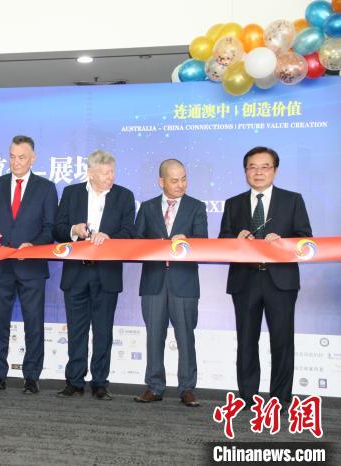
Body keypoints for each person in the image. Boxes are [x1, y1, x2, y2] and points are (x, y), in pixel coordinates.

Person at [219, 146, 312, 405]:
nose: (258, 172)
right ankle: (248, 398)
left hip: (280, 281)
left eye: (265, 167)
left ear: (275, 170)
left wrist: (283, 242)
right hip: (245, 280)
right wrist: (235, 238)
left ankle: (280, 399)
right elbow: (222, 240)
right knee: (246, 341)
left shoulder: (292, 200)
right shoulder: (233, 203)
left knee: (282, 342)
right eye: (252, 167)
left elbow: (305, 239)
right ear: (245, 171)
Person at [53, 150, 135, 400]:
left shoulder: (124, 196)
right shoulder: (71, 193)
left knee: (103, 331)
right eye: (104, 173)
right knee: (76, 331)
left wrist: (110, 238)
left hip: (106, 274)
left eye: (112, 172)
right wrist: (74, 230)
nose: (110, 177)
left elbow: (130, 233)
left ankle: (100, 382)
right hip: (76, 273)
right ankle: (74, 381)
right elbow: (57, 229)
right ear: (90, 173)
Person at [0, 135, 57, 395]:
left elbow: (50, 228)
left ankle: (32, 377)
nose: (16, 162)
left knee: (33, 323)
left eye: (21, 157)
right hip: (1, 266)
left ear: (32, 158)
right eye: (12, 156)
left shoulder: (46, 188)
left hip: (31, 267)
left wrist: (32, 245)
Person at [133, 159, 207, 407]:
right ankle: (154, 387)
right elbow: (136, 242)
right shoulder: (147, 207)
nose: (181, 185)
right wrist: (154, 245)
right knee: (154, 336)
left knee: (186, 337)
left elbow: (203, 243)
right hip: (153, 281)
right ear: (161, 182)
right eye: (174, 180)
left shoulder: (197, 207)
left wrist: (188, 241)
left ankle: (187, 388)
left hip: (184, 281)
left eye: (184, 179)